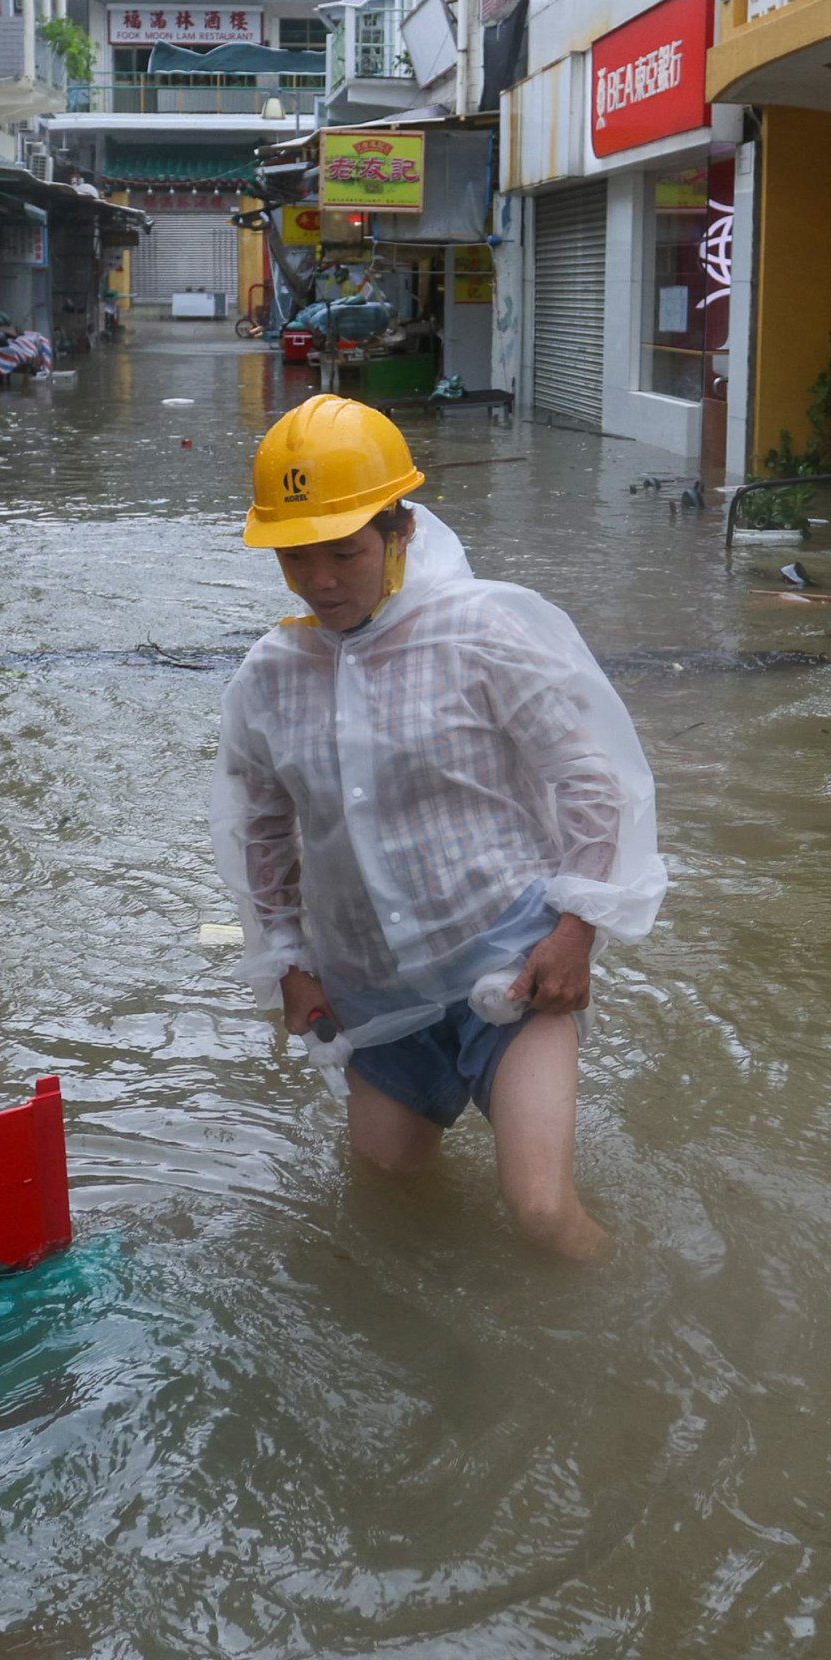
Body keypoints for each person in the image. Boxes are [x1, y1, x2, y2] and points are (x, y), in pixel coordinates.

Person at [212, 396, 666, 1260]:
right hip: (373, 996)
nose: (320, 581)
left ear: (399, 533)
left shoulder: (482, 632)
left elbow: (592, 783)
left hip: (507, 966)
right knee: (390, 1204)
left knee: (538, 1213)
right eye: (295, 557)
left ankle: (643, 1326)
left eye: (343, 552)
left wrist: (576, 930)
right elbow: (261, 833)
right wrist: (288, 966)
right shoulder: (269, 676)